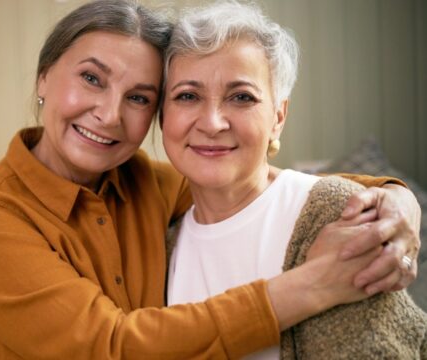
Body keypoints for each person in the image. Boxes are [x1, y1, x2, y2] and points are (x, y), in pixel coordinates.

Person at [0, 0, 422, 358]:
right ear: (44, 77)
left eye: (138, 98)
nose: (109, 114)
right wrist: (311, 286)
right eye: (91, 78)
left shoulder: (146, 183)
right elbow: (108, 347)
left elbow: (249, 181)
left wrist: (395, 198)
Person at [162, 1, 427, 359]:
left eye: (241, 97)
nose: (212, 122)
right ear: (163, 115)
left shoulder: (337, 213)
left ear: (278, 116)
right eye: (187, 96)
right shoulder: (162, 239)